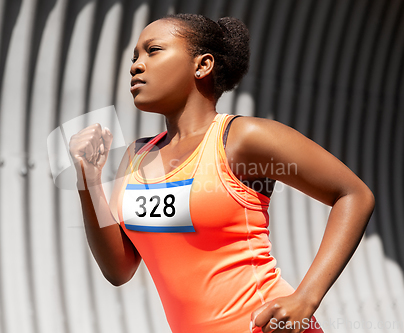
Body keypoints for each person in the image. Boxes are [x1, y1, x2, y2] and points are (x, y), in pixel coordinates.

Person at [69, 13, 375, 333]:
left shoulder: (243, 138)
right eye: (134, 56)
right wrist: (88, 180)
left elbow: (353, 194)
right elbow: (119, 270)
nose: (135, 65)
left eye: (153, 50)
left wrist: (307, 298)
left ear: (202, 65)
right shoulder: (136, 156)